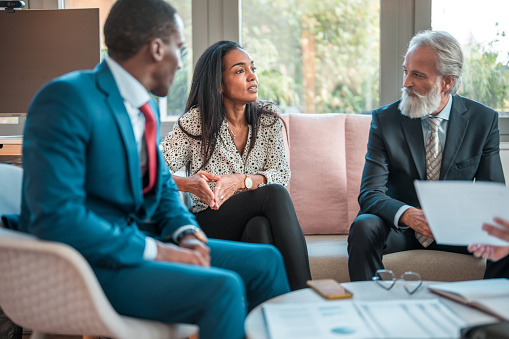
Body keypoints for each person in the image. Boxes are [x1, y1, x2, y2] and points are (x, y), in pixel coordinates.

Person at [18, 1, 290, 338]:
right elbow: (58, 218)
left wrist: (188, 235)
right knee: (224, 288)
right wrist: (159, 251)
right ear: (157, 48)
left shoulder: (142, 107)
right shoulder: (66, 99)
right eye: (180, 48)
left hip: (144, 242)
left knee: (266, 261)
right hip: (93, 264)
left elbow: (162, 191)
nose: (181, 61)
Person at [347, 30, 506, 282]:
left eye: (417, 75)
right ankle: (368, 306)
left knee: (505, 231)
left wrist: (458, 218)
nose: (406, 82)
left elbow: (493, 195)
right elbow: (370, 193)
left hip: (457, 230)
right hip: (401, 229)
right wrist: (409, 214)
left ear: (447, 82)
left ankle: (489, 312)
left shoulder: (483, 121)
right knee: (364, 226)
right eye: (405, 71)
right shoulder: (385, 120)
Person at [162, 40, 311, 291]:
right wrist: (186, 184)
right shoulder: (197, 122)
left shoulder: (267, 119)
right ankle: (305, 295)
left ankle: (266, 311)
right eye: (240, 71)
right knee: (273, 194)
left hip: (252, 222)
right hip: (212, 220)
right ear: (219, 84)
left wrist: (243, 181)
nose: (253, 77)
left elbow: (281, 174)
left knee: (260, 227)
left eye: (253, 69)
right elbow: (149, 171)